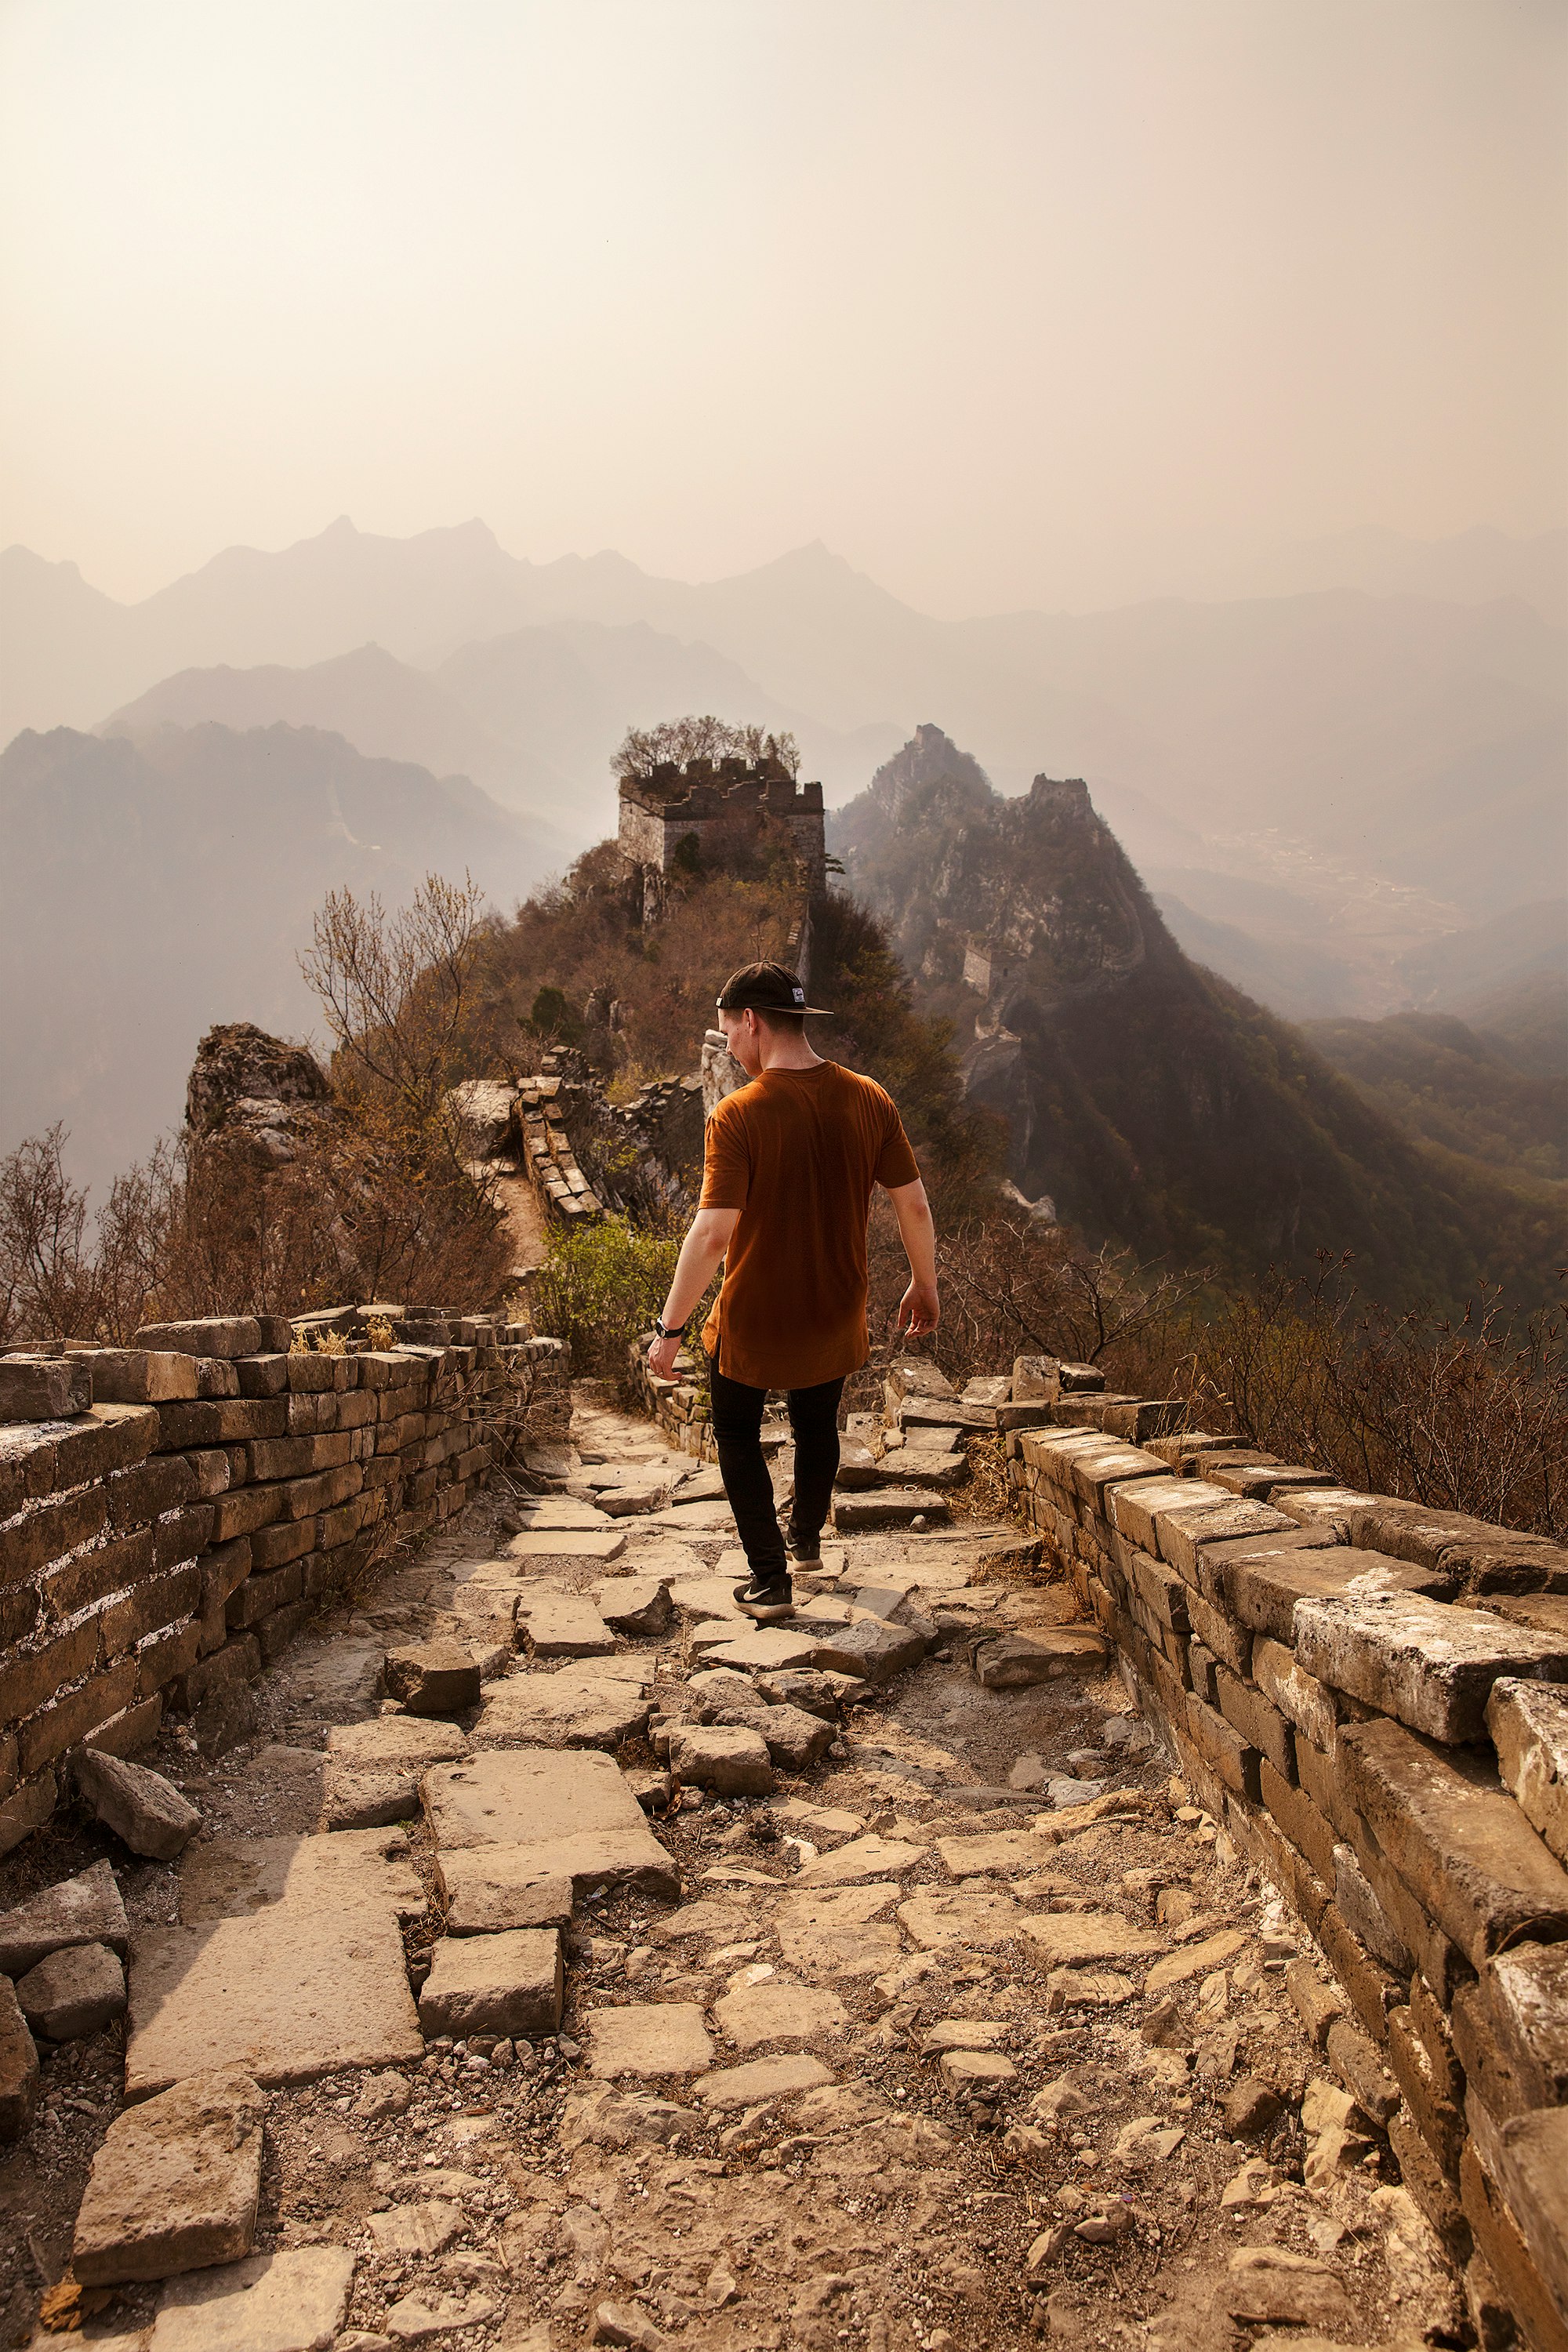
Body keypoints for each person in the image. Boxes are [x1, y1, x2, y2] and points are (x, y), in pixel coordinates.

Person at [646, 960, 939, 1620]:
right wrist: (925, 1284)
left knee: (738, 1434)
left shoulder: (738, 1114)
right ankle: (805, 1538)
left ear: (751, 1022)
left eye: (729, 1036)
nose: (731, 1050)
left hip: (755, 1318)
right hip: (836, 1308)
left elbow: (713, 1235)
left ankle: (770, 1578)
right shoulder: (869, 1097)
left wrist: (669, 1331)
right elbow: (913, 1205)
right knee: (817, 1425)